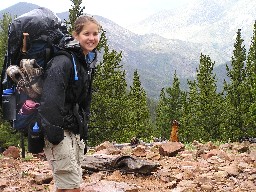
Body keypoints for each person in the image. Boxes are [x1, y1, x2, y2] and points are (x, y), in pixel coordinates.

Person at [38, 15, 101, 192]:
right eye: (86, 33)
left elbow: (82, 101)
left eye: (95, 33)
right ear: (76, 35)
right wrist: (55, 136)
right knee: (72, 186)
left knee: (66, 185)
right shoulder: (63, 61)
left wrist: (82, 129)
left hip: (72, 129)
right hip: (59, 130)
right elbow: (50, 101)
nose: (91, 38)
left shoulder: (84, 61)